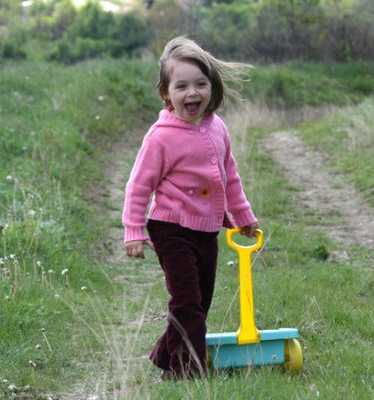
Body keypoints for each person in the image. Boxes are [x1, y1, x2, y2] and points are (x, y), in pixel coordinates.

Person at [122, 36, 258, 379]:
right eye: (181, 86)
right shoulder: (161, 137)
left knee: (200, 303)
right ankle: (186, 372)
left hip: (206, 229)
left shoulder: (217, 127)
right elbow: (140, 185)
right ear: (166, 93)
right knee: (187, 303)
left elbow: (230, 176)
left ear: (212, 86)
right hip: (170, 229)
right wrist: (134, 231)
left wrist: (242, 217)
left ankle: (164, 356)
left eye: (200, 84)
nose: (192, 93)